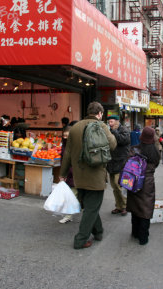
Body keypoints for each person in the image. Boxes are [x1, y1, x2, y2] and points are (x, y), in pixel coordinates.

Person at [59, 102, 117, 249]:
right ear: (99, 114)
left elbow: (67, 153)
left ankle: (98, 231)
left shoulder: (75, 127)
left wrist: (63, 174)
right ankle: (80, 239)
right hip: (96, 175)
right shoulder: (101, 126)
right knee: (91, 208)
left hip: (79, 175)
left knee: (90, 206)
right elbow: (113, 144)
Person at [126, 126, 160, 245]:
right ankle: (143, 237)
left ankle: (135, 232)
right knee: (146, 208)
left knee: (135, 207)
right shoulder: (155, 152)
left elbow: (128, 163)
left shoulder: (134, 149)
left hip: (134, 181)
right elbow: (156, 165)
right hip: (148, 182)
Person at [106, 115, 131, 216]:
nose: (110, 124)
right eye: (109, 122)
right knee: (114, 187)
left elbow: (123, 141)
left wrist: (114, 132)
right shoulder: (110, 130)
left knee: (119, 185)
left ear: (117, 121)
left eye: (111, 122)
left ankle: (125, 206)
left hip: (121, 162)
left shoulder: (124, 129)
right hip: (111, 162)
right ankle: (118, 206)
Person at [59, 125, 77, 224]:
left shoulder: (74, 146)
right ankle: (70, 214)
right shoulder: (64, 145)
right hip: (68, 174)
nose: (65, 138)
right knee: (71, 196)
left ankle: (68, 216)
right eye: (64, 136)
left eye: (67, 136)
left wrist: (66, 173)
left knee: (71, 195)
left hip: (73, 174)